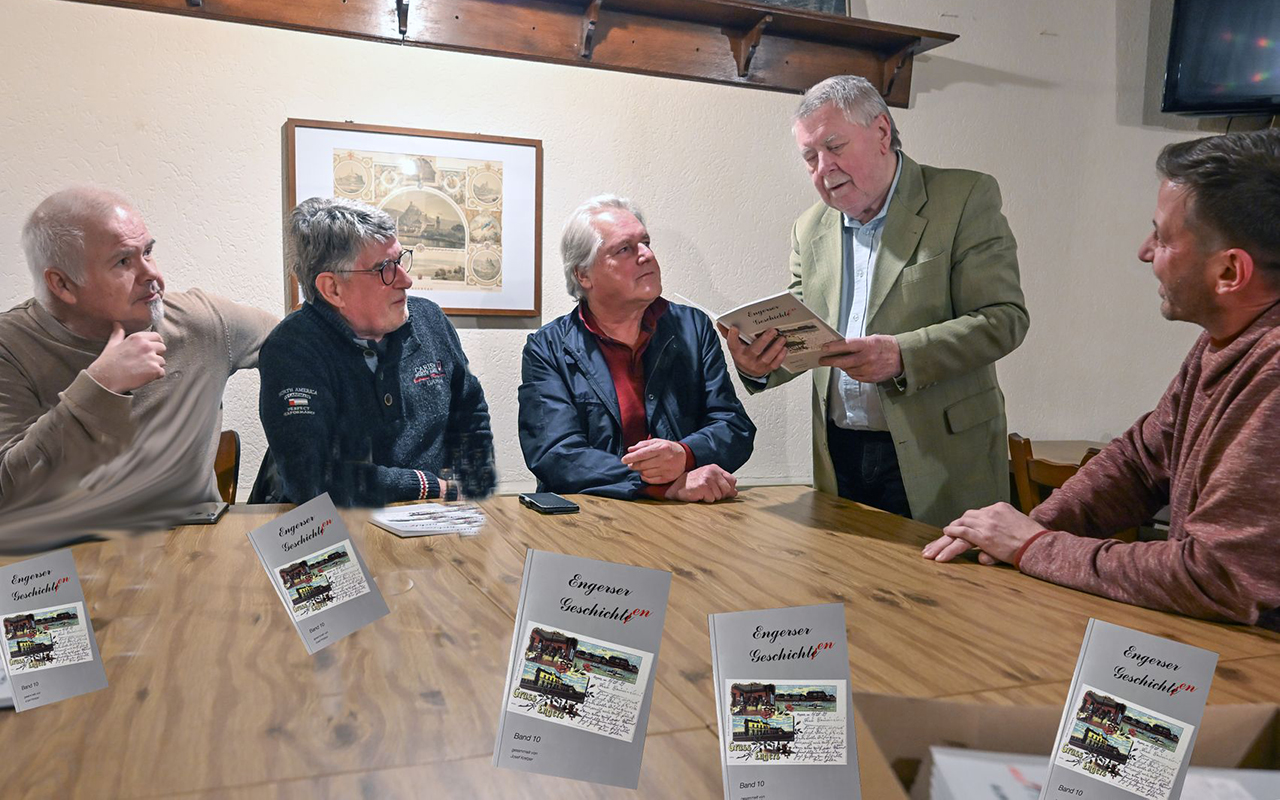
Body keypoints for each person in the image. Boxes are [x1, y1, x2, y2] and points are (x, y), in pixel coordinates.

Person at [924, 130, 1280, 629]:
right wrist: (1020, 531)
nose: (1143, 251)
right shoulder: (1224, 340)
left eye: (1162, 237)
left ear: (1229, 272)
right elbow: (1140, 462)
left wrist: (1034, 546)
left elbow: (1217, 578)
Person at [725, 75, 1029, 526]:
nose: (823, 168)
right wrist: (758, 364)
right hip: (840, 455)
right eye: (810, 157)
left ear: (882, 132)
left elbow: (1004, 319)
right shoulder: (808, 229)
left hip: (940, 453)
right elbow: (803, 335)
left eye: (835, 146)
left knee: (946, 595)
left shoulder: (964, 198)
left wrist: (902, 355)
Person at [0, 187, 276, 549]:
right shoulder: (10, 348)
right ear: (62, 284)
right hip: (58, 562)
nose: (152, 275)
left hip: (189, 555)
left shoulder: (202, 323)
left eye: (148, 251)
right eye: (123, 262)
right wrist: (100, 386)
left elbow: (303, 344)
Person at [258, 197, 494, 506]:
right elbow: (311, 477)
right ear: (333, 289)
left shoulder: (430, 320)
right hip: (339, 531)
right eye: (385, 269)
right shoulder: (291, 349)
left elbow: (470, 410)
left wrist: (469, 482)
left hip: (437, 522)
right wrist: (424, 485)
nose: (406, 280)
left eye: (400, 260)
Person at [518, 195, 755, 502]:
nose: (646, 255)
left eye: (646, 242)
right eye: (625, 249)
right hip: (589, 520)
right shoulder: (548, 347)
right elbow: (556, 455)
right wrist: (659, 484)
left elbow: (733, 427)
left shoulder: (692, 327)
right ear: (583, 274)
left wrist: (684, 455)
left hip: (686, 519)